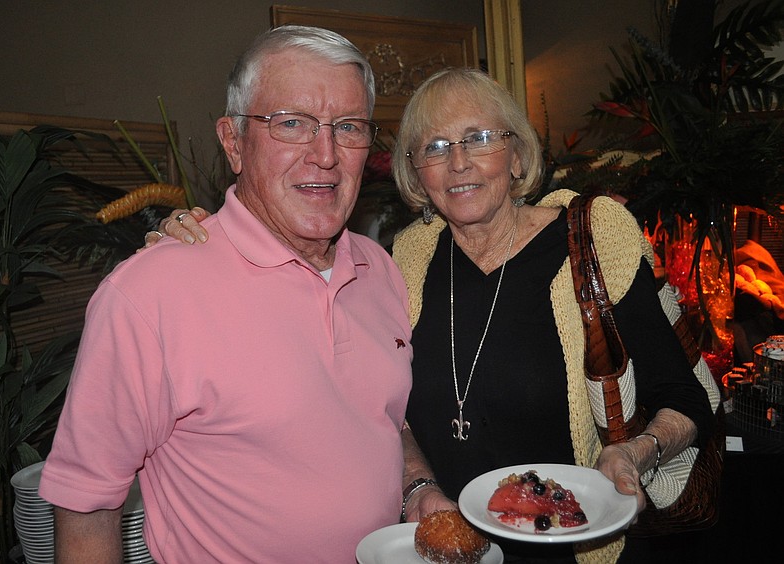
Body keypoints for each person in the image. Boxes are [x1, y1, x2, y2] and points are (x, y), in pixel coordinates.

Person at [157, 67, 716, 563]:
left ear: (517, 154)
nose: (458, 162)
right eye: (434, 146)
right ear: (414, 175)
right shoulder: (400, 260)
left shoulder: (592, 238)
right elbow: (354, 382)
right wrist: (204, 240)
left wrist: (636, 453)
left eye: (478, 138)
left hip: (568, 544)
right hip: (442, 544)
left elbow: (685, 397)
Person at [39, 25, 415, 563]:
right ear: (234, 142)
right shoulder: (149, 295)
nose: (325, 155)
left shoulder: (380, 268)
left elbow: (383, 419)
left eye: (349, 126)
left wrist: (419, 489)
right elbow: (84, 507)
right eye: (291, 123)